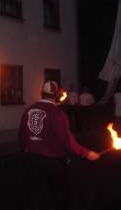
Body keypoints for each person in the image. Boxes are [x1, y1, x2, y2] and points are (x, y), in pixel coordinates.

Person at [19, 80, 100, 210]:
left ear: (41, 93)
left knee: (34, 194)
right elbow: (67, 141)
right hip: (53, 161)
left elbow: (22, 136)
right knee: (58, 195)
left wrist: (26, 151)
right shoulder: (58, 114)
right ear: (56, 95)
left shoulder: (29, 109)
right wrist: (87, 153)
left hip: (32, 159)